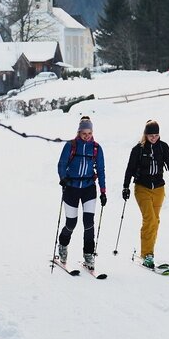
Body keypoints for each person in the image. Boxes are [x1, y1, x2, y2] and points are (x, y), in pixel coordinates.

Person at [122, 120, 169, 269]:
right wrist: (125, 186)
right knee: (150, 219)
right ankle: (148, 254)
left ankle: (148, 252)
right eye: (151, 135)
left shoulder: (163, 147)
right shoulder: (138, 149)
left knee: (155, 220)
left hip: (159, 188)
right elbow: (130, 169)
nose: (153, 138)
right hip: (142, 187)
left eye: (156, 135)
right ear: (145, 135)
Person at [56, 116, 107, 270]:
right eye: (84, 133)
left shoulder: (97, 148)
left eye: (89, 132)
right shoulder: (70, 145)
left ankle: (89, 255)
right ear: (79, 132)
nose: (87, 136)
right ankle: (63, 246)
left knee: (89, 223)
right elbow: (61, 164)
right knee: (71, 223)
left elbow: (101, 170)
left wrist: (103, 191)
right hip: (71, 187)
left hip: (88, 188)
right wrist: (63, 179)